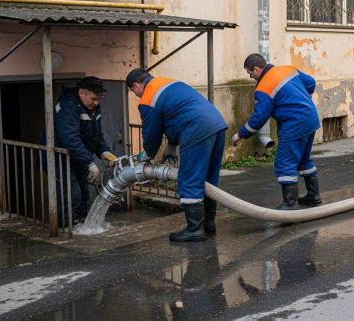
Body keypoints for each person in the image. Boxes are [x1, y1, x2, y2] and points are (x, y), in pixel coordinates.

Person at [126, 68, 228, 242]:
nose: (136, 96)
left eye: (134, 92)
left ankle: (194, 229)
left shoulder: (147, 98)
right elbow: (177, 113)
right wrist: (172, 145)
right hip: (217, 124)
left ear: (136, 85)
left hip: (196, 128)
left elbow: (151, 132)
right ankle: (208, 224)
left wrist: (147, 155)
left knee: (189, 179)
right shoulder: (169, 83)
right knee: (209, 179)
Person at [231, 53, 321, 211]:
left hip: (294, 123)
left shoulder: (263, 87)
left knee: (284, 161)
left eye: (250, 73)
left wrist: (240, 134)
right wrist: (304, 99)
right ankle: (314, 196)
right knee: (303, 159)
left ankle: (290, 204)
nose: (251, 77)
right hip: (310, 117)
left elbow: (259, 118)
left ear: (257, 69)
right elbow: (311, 82)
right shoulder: (288, 69)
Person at [40, 76, 117, 225]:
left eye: (99, 99)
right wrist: (89, 162)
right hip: (59, 157)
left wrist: (104, 152)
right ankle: (67, 227)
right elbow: (71, 139)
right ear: (81, 93)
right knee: (71, 193)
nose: (96, 103)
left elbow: (96, 134)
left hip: (78, 157)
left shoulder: (92, 107)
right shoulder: (68, 107)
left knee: (83, 193)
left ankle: (81, 225)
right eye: (93, 99)